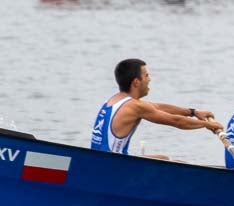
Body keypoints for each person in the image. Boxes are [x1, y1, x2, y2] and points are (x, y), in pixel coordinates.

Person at [91, 58, 222, 157]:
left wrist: (193, 112)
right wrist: (206, 125)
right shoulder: (134, 106)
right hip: (114, 167)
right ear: (136, 82)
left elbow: (159, 107)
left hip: (104, 161)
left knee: (163, 159)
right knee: (175, 164)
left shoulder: (115, 100)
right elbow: (175, 121)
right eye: (146, 75)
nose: (150, 79)